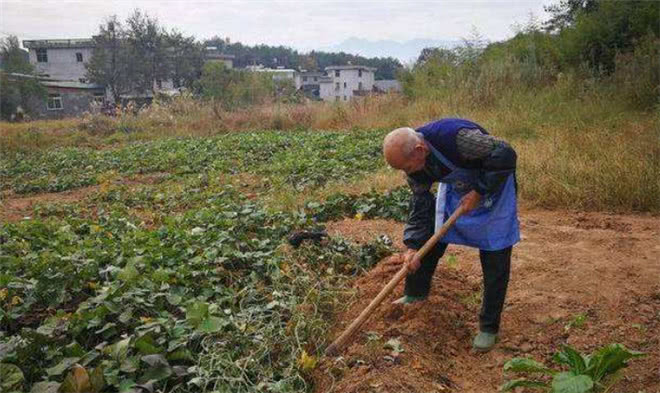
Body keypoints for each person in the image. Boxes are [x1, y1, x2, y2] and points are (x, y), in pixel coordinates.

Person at [382, 118, 519, 352]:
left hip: (493, 187)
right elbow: (421, 203)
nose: (407, 173)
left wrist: (479, 192)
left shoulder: (459, 140)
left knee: (494, 255)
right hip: (459, 188)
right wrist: (413, 247)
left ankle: (488, 328)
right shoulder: (416, 163)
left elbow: (505, 153)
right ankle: (415, 293)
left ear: (419, 150)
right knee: (429, 243)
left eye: (407, 167)